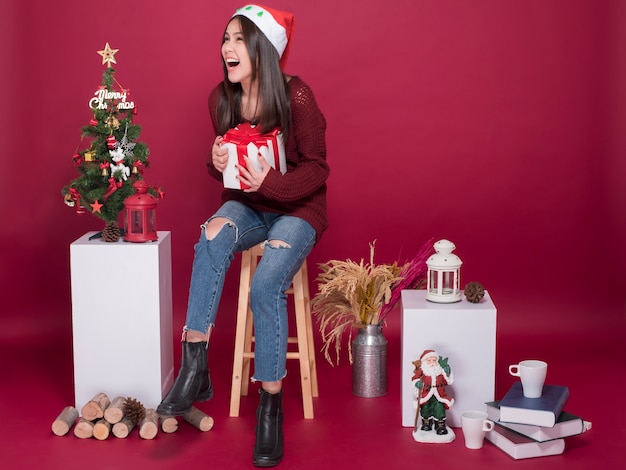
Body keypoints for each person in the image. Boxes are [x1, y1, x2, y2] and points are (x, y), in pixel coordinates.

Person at [157, 4, 328, 468]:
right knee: (213, 234)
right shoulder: (221, 99)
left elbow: (317, 168)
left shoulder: (298, 97)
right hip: (251, 207)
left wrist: (269, 184)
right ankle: (194, 367)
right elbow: (231, 175)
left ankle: (269, 407)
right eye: (224, 40)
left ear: (262, 49)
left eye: (237, 39)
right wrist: (215, 164)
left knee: (267, 282)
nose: (226, 48)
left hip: (298, 210)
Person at [412, 349, 454, 435]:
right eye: (429, 360)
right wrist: (417, 384)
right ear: (424, 361)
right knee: (426, 408)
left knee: (439, 408)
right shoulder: (422, 370)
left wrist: (448, 373)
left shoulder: (440, 371)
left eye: (434, 360)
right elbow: (415, 378)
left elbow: (448, 381)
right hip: (426, 394)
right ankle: (426, 424)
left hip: (439, 394)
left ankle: (440, 426)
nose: (432, 362)